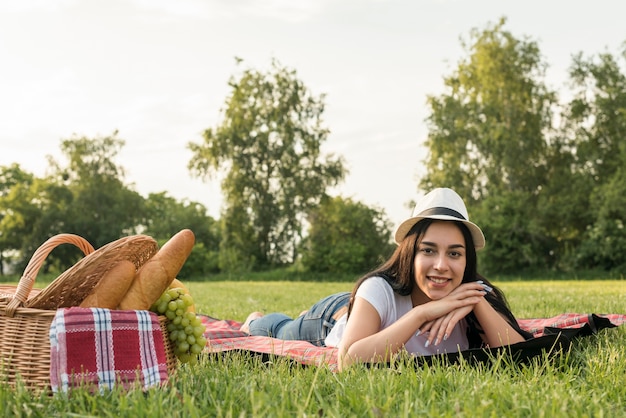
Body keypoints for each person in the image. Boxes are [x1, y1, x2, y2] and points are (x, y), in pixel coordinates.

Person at [241, 188, 533, 370]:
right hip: (332, 319)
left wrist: (477, 304)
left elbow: (525, 357)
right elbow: (348, 361)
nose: (442, 265)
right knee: (280, 330)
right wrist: (422, 314)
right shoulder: (378, 288)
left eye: (455, 254)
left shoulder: (474, 295)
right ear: (410, 253)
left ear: (467, 260)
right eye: (428, 251)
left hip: (365, 312)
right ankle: (256, 319)